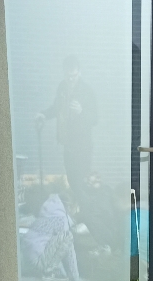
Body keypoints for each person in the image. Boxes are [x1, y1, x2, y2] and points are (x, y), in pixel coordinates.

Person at [39, 56, 98, 197]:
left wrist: (81, 112)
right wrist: (44, 115)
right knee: (71, 179)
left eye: (74, 76)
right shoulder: (62, 87)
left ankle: (83, 209)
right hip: (67, 144)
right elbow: (56, 108)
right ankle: (75, 207)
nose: (71, 79)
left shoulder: (87, 91)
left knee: (81, 182)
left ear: (79, 72)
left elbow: (95, 119)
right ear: (64, 72)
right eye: (68, 76)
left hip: (82, 146)